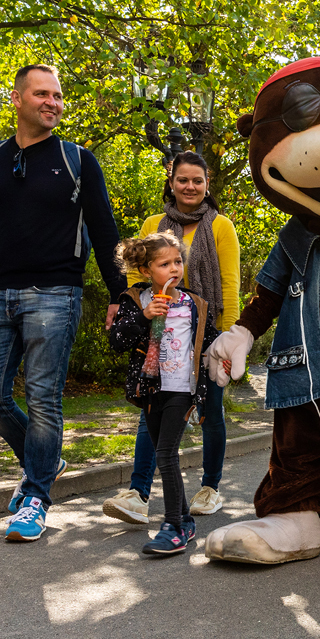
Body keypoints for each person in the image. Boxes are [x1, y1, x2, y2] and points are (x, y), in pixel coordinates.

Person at [0, 63, 127, 542]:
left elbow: (104, 230)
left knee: (43, 399)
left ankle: (36, 496)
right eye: (43, 95)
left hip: (56, 294)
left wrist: (121, 293)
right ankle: (46, 461)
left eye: (58, 97)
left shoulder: (78, 159)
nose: (53, 103)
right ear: (17, 99)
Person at [102, 152, 241, 527]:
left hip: (203, 332)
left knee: (211, 409)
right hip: (158, 333)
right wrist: (132, 311)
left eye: (197, 180)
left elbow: (228, 283)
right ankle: (138, 493)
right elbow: (136, 278)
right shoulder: (154, 222)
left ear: (207, 183)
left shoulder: (221, 226)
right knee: (153, 411)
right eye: (183, 180)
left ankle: (209, 487)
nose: (190, 187)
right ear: (171, 181)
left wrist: (227, 339)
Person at [105, 232, 216, 557]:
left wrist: (228, 350)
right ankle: (184, 520)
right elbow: (117, 341)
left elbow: (209, 339)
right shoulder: (134, 300)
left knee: (166, 454)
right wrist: (145, 316)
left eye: (177, 261)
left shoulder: (193, 302)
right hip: (151, 388)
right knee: (161, 450)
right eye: (164, 264)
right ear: (145, 270)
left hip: (183, 390)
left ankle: (173, 527)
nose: (174, 269)